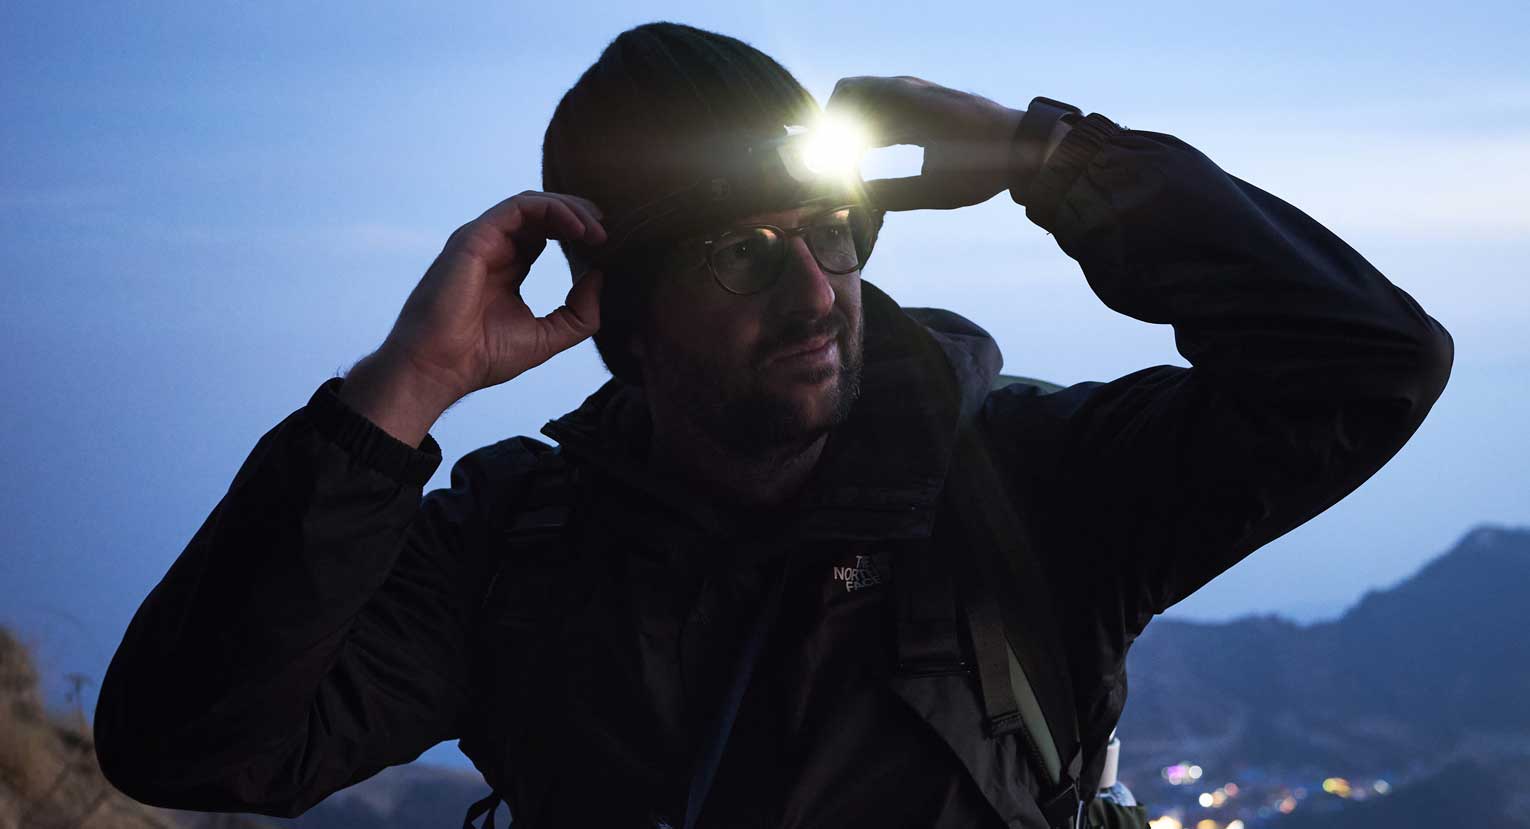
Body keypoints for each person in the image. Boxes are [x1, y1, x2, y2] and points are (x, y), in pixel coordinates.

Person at [93, 20, 1453, 829]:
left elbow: (1368, 368)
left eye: (834, 233)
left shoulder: (1033, 493)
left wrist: (1054, 159)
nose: (814, 291)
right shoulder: (513, 545)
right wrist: (400, 393)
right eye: (742, 254)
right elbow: (192, 743)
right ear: (622, 308)